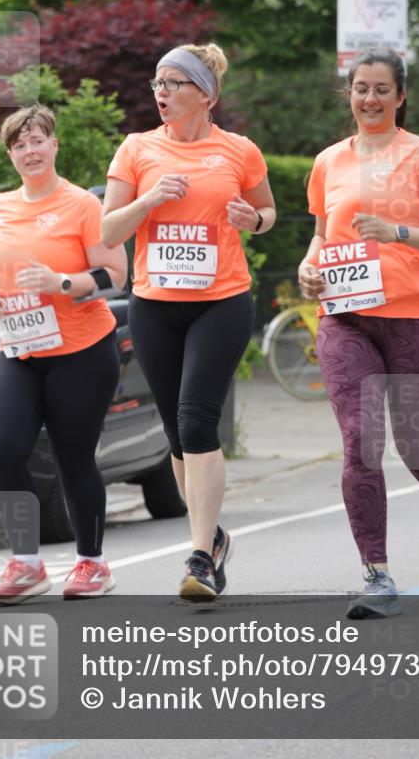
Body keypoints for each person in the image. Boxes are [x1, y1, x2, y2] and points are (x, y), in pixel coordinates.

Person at [298, 47, 419, 619]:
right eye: (361, 88)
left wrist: (396, 229)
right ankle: (377, 574)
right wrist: (310, 268)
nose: (370, 98)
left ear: (400, 97)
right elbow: (321, 236)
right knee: (360, 440)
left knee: (417, 447)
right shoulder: (329, 161)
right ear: (348, 94)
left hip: (416, 315)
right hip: (345, 315)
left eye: (382, 89)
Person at [101, 43, 275, 599]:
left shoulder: (239, 151)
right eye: (158, 82)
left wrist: (256, 220)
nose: (162, 92)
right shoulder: (136, 149)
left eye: (174, 83)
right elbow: (108, 232)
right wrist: (150, 199)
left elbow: (266, 212)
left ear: (206, 94)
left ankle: (199, 557)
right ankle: (213, 536)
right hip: (155, 306)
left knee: (198, 421)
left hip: (222, 301)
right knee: (177, 435)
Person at [0, 104, 127, 604]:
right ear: (10, 155)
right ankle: (27, 564)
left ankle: (92, 563)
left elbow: (114, 274)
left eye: (37, 140)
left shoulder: (82, 204)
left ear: (54, 145)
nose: (29, 151)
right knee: (1, 446)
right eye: (19, 145)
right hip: (19, 347)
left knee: (72, 455)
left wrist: (61, 282)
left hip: (81, 349)